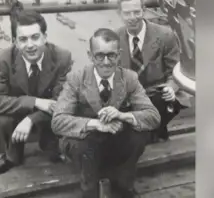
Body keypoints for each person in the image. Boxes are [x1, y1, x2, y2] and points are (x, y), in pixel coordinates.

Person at [51, 28, 160, 198]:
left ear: (119, 54)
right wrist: (96, 124)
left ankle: (124, 185)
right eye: (100, 56)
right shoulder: (76, 79)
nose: (107, 62)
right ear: (90, 55)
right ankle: (89, 189)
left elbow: (153, 117)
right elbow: (58, 121)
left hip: (114, 140)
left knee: (139, 135)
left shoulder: (129, 78)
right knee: (82, 145)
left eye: (112, 55)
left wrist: (122, 115)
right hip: (86, 144)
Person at [0, 10, 73, 174]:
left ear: (45, 37)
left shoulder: (62, 57)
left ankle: (52, 147)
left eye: (35, 37)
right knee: (2, 119)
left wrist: (31, 119)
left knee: (71, 108)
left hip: (48, 117)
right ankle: (11, 155)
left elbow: (62, 102)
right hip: (17, 114)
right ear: (15, 42)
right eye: (23, 39)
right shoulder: (3, 60)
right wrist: (35, 102)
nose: (30, 45)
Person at [115, 0, 191, 142]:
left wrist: (171, 88)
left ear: (143, 11)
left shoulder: (165, 35)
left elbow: (176, 71)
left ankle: (150, 134)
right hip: (130, 95)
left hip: (158, 93)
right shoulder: (114, 38)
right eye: (127, 13)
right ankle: (153, 134)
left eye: (136, 12)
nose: (132, 17)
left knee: (160, 103)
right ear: (120, 14)